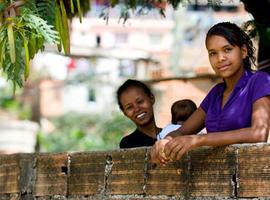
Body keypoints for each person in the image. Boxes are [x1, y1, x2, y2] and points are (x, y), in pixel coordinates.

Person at [151, 22, 270, 164]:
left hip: (250, 174)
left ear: (243, 51)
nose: (220, 58)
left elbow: (259, 133)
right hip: (214, 178)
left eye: (227, 49)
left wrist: (197, 140)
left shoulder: (259, 81)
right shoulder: (216, 93)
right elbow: (182, 131)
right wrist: (165, 141)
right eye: (213, 53)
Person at [117, 79, 162, 148]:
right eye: (129, 107)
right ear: (124, 112)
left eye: (140, 102)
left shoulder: (172, 134)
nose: (137, 109)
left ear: (151, 98)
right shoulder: (128, 144)